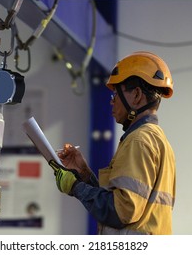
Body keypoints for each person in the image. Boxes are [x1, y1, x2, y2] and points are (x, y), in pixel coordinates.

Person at [49, 51, 176, 235]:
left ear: (137, 95)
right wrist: (84, 174)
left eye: (115, 94)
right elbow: (121, 202)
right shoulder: (157, 140)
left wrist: (75, 187)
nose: (112, 102)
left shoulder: (139, 141)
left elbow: (121, 212)